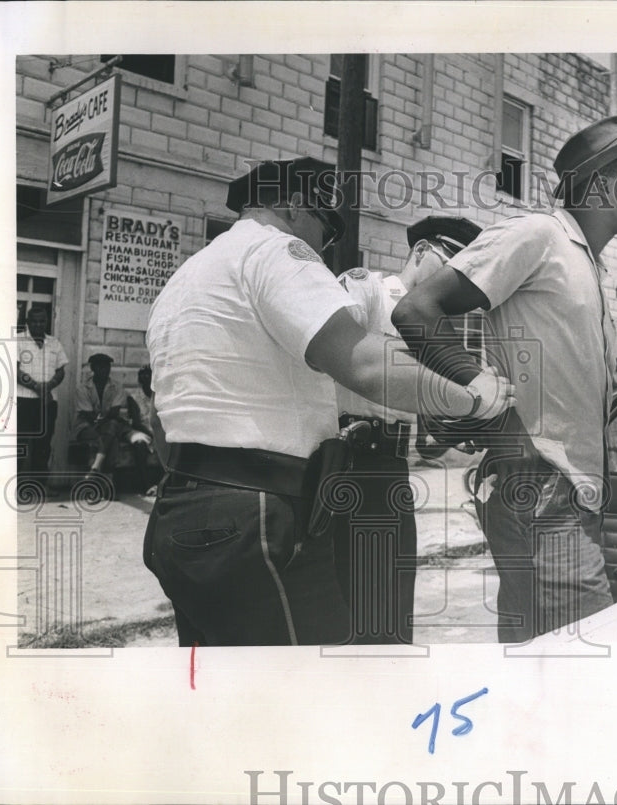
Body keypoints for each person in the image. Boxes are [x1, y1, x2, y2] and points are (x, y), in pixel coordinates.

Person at [143, 158, 513, 647]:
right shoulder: (277, 252)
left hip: (180, 511)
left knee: (225, 696)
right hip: (255, 514)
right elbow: (362, 365)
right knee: (326, 690)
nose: (324, 246)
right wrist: (472, 399)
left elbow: (159, 418)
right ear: (295, 207)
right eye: (326, 227)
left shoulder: (186, 277)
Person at [393, 116, 617, 642]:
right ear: (604, 185)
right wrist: (493, 408)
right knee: (587, 661)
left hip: (569, 494)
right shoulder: (538, 234)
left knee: (535, 658)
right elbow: (418, 310)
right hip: (541, 489)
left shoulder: (587, 264)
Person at [333, 215, 482, 644]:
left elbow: (431, 437)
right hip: (345, 464)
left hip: (393, 473)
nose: (456, 279)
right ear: (420, 252)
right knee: (345, 614)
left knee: (392, 615)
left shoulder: (437, 328)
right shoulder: (367, 289)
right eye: (449, 262)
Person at [16, 307, 67, 477]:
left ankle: (40, 485)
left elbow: (61, 370)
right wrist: (37, 387)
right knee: (19, 444)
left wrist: (49, 386)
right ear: (28, 322)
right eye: (34, 321)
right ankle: (14, 487)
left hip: (47, 402)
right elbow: (15, 371)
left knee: (44, 444)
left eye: (42, 321)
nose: (38, 324)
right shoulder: (18, 341)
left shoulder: (54, 343)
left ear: (47, 322)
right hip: (23, 401)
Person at [72, 353, 128, 478]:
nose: (105, 370)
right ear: (93, 368)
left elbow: (115, 412)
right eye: (100, 366)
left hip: (108, 425)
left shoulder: (117, 387)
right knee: (110, 437)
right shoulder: (83, 389)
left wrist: (103, 420)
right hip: (86, 427)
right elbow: (88, 415)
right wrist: (103, 419)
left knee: (111, 430)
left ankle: (95, 471)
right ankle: (107, 482)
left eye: (107, 366)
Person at [125, 365, 162, 496]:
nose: (145, 378)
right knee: (140, 444)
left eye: (149, 375)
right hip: (140, 430)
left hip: (156, 430)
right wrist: (151, 433)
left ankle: (162, 485)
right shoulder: (133, 397)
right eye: (142, 375)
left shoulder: (158, 396)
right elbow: (136, 422)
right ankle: (146, 484)